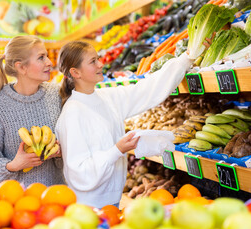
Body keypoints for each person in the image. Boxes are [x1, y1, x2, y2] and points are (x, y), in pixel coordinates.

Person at [55, 41, 194, 208]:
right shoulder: (72, 113)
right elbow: (79, 172)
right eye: (93, 61)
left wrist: (186, 59)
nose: (101, 64)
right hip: (89, 206)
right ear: (75, 72)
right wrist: (117, 150)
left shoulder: (106, 97)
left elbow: (146, 90)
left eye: (98, 58)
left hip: (112, 200)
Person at [0, 35, 65, 189]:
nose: (49, 62)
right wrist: (13, 165)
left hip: (55, 197)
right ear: (21, 67)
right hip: (13, 201)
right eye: (41, 58)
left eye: (47, 56)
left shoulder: (57, 95)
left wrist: (61, 152)